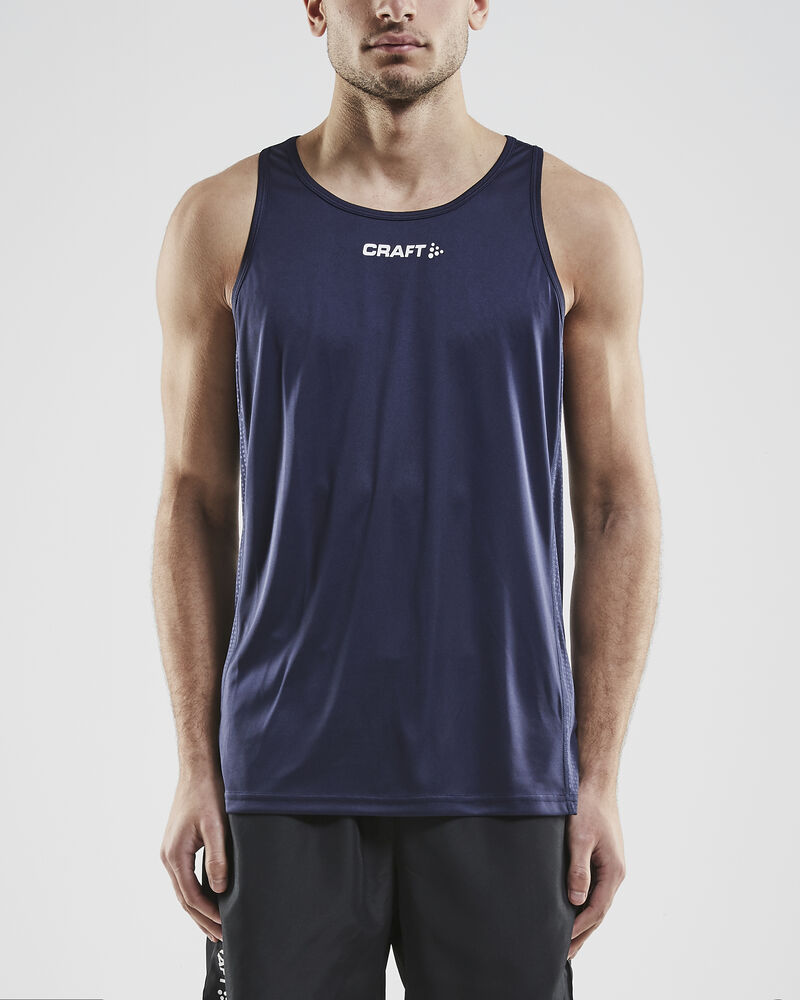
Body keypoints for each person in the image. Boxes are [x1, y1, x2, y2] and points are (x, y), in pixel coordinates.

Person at [152, 2, 661, 997]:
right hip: (282, 780)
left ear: (478, 4)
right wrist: (193, 762)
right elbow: (193, 501)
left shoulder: (575, 219)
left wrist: (596, 775)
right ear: (313, 8)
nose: (393, 5)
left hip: (506, 779)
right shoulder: (222, 219)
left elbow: (617, 506)